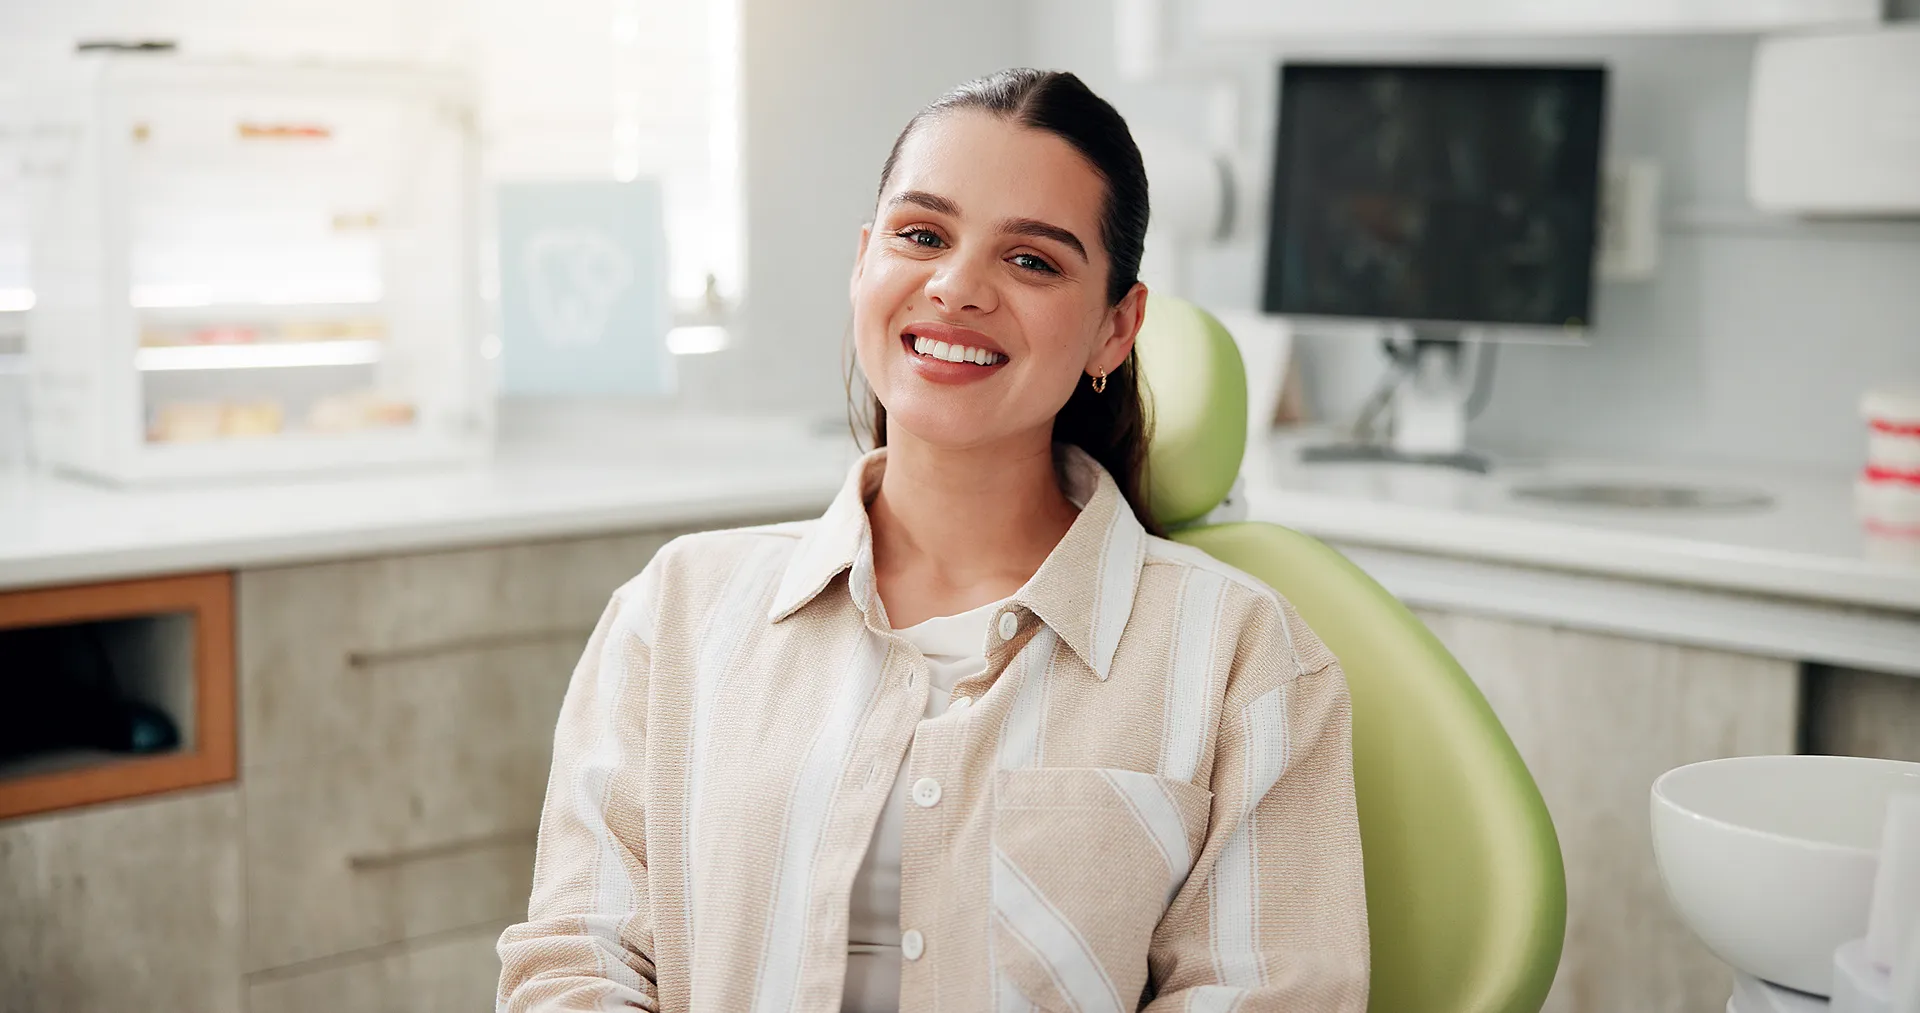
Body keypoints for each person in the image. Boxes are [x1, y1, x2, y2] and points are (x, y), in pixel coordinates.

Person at [497, 68, 1368, 1012]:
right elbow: (576, 962)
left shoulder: (1240, 655)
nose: (956, 287)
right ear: (866, 262)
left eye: (1032, 260)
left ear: (1116, 328)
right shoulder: (675, 611)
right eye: (922, 236)